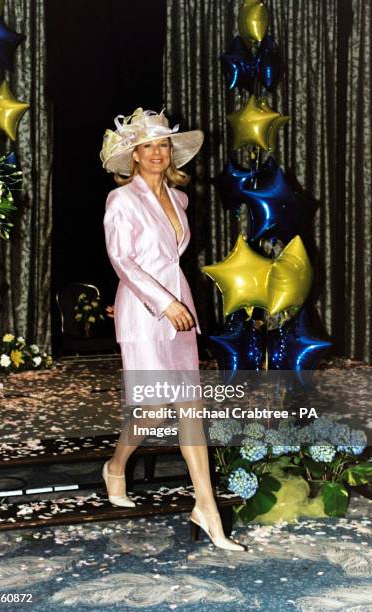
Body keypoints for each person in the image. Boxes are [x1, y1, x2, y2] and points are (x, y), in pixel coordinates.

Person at [101, 108, 246, 552]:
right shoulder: (121, 201)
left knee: (190, 409)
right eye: (147, 146)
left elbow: (168, 257)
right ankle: (115, 464)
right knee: (154, 409)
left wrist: (176, 302)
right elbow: (123, 260)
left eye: (163, 144)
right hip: (148, 310)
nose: (157, 153)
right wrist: (163, 302)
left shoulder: (180, 200)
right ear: (133, 156)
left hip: (180, 308)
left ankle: (207, 509)